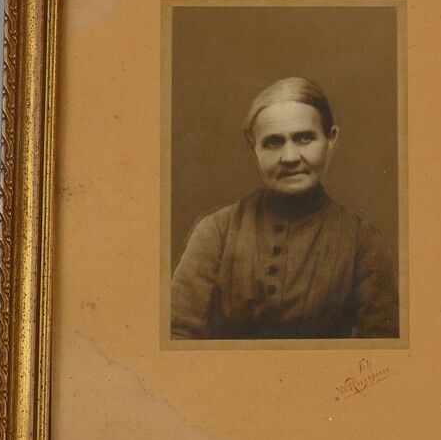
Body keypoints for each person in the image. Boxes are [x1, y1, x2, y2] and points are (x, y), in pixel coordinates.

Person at [171, 77, 399, 340]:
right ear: (254, 149)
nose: (290, 157)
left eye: (304, 138)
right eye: (273, 142)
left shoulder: (363, 241)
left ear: (330, 139)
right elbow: (177, 334)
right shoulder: (217, 231)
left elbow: (382, 347)